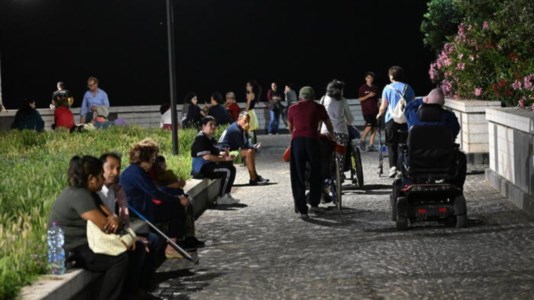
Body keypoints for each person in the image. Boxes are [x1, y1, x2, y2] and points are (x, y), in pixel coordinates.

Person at [48, 155, 128, 300]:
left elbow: (112, 217)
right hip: (72, 250)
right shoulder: (79, 195)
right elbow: (106, 226)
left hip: (85, 244)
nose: (103, 179)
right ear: (91, 178)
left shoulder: (88, 193)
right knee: (119, 259)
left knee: (130, 249)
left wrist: (115, 218)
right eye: (100, 176)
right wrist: (114, 221)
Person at [119, 138, 204, 258]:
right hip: (141, 209)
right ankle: (171, 247)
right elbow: (155, 193)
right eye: (153, 159)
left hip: (142, 205)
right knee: (177, 207)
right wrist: (177, 200)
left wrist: (176, 196)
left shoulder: (135, 170)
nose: (154, 162)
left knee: (176, 202)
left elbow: (155, 190)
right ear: (146, 158)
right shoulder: (137, 173)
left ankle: (180, 241)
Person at [97, 153, 160, 298]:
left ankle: (142, 288)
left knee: (152, 240)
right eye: (111, 168)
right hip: (104, 238)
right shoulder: (97, 192)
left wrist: (132, 236)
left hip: (118, 233)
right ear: (101, 169)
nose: (115, 172)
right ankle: (130, 293)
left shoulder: (116, 190)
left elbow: (123, 220)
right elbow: (105, 226)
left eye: (118, 168)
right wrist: (130, 239)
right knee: (137, 248)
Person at [404, 88, 466, 189]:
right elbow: (454, 132)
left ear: (427, 100)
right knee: (462, 157)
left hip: (416, 162)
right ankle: (456, 186)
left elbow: (408, 107)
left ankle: (406, 184)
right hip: (443, 162)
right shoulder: (449, 117)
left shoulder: (414, 116)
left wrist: (421, 100)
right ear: (443, 103)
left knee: (402, 156)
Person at [288, 86, 333, 219]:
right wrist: (332, 134)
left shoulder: (292, 108)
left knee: (298, 175)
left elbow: (291, 127)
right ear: (313, 97)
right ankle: (314, 203)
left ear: (300, 97)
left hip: (297, 142)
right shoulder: (318, 107)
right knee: (316, 172)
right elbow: (328, 123)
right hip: (312, 141)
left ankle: (302, 209)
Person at [376, 65, 416, 178]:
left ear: (392, 76)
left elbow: (383, 106)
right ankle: (401, 168)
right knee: (403, 144)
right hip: (405, 120)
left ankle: (392, 167)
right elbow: (413, 104)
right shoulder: (408, 88)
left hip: (391, 119)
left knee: (391, 144)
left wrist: (379, 115)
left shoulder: (388, 88)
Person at [191, 116, 239, 205]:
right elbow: (206, 157)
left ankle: (226, 194)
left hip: (208, 166)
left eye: (214, 125)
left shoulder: (210, 138)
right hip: (201, 169)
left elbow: (215, 152)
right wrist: (224, 159)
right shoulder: (200, 138)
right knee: (228, 170)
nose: (213, 126)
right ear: (203, 126)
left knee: (231, 167)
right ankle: (222, 197)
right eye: (210, 125)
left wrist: (224, 154)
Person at [218, 111, 269, 185]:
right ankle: (253, 178)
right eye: (245, 121)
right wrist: (246, 131)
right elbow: (244, 145)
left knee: (250, 151)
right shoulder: (235, 130)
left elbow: (245, 143)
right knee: (248, 152)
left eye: (248, 121)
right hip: (224, 153)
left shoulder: (238, 127)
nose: (247, 123)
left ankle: (255, 176)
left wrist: (252, 145)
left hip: (230, 150)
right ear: (239, 119)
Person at [320, 79, 355, 178]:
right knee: (341, 153)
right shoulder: (343, 101)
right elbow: (350, 119)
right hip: (341, 131)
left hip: (326, 132)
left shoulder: (323, 99)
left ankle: (326, 174)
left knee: (325, 153)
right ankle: (340, 172)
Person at [358, 72, 379, 151]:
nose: (370, 79)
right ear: (366, 78)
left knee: (374, 127)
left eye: (372, 78)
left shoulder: (375, 88)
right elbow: (360, 99)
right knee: (369, 125)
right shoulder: (362, 88)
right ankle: (362, 140)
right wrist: (368, 95)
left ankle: (371, 145)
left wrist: (379, 109)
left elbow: (377, 100)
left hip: (375, 110)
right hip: (366, 110)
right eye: (369, 77)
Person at [246, 80, 261, 144]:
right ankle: (254, 143)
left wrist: (245, 113)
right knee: (252, 129)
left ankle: (251, 144)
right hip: (252, 112)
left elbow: (248, 105)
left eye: (248, 86)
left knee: (249, 129)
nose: (246, 87)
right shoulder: (253, 94)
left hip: (249, 112)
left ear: (251, 87)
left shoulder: (250, 94)